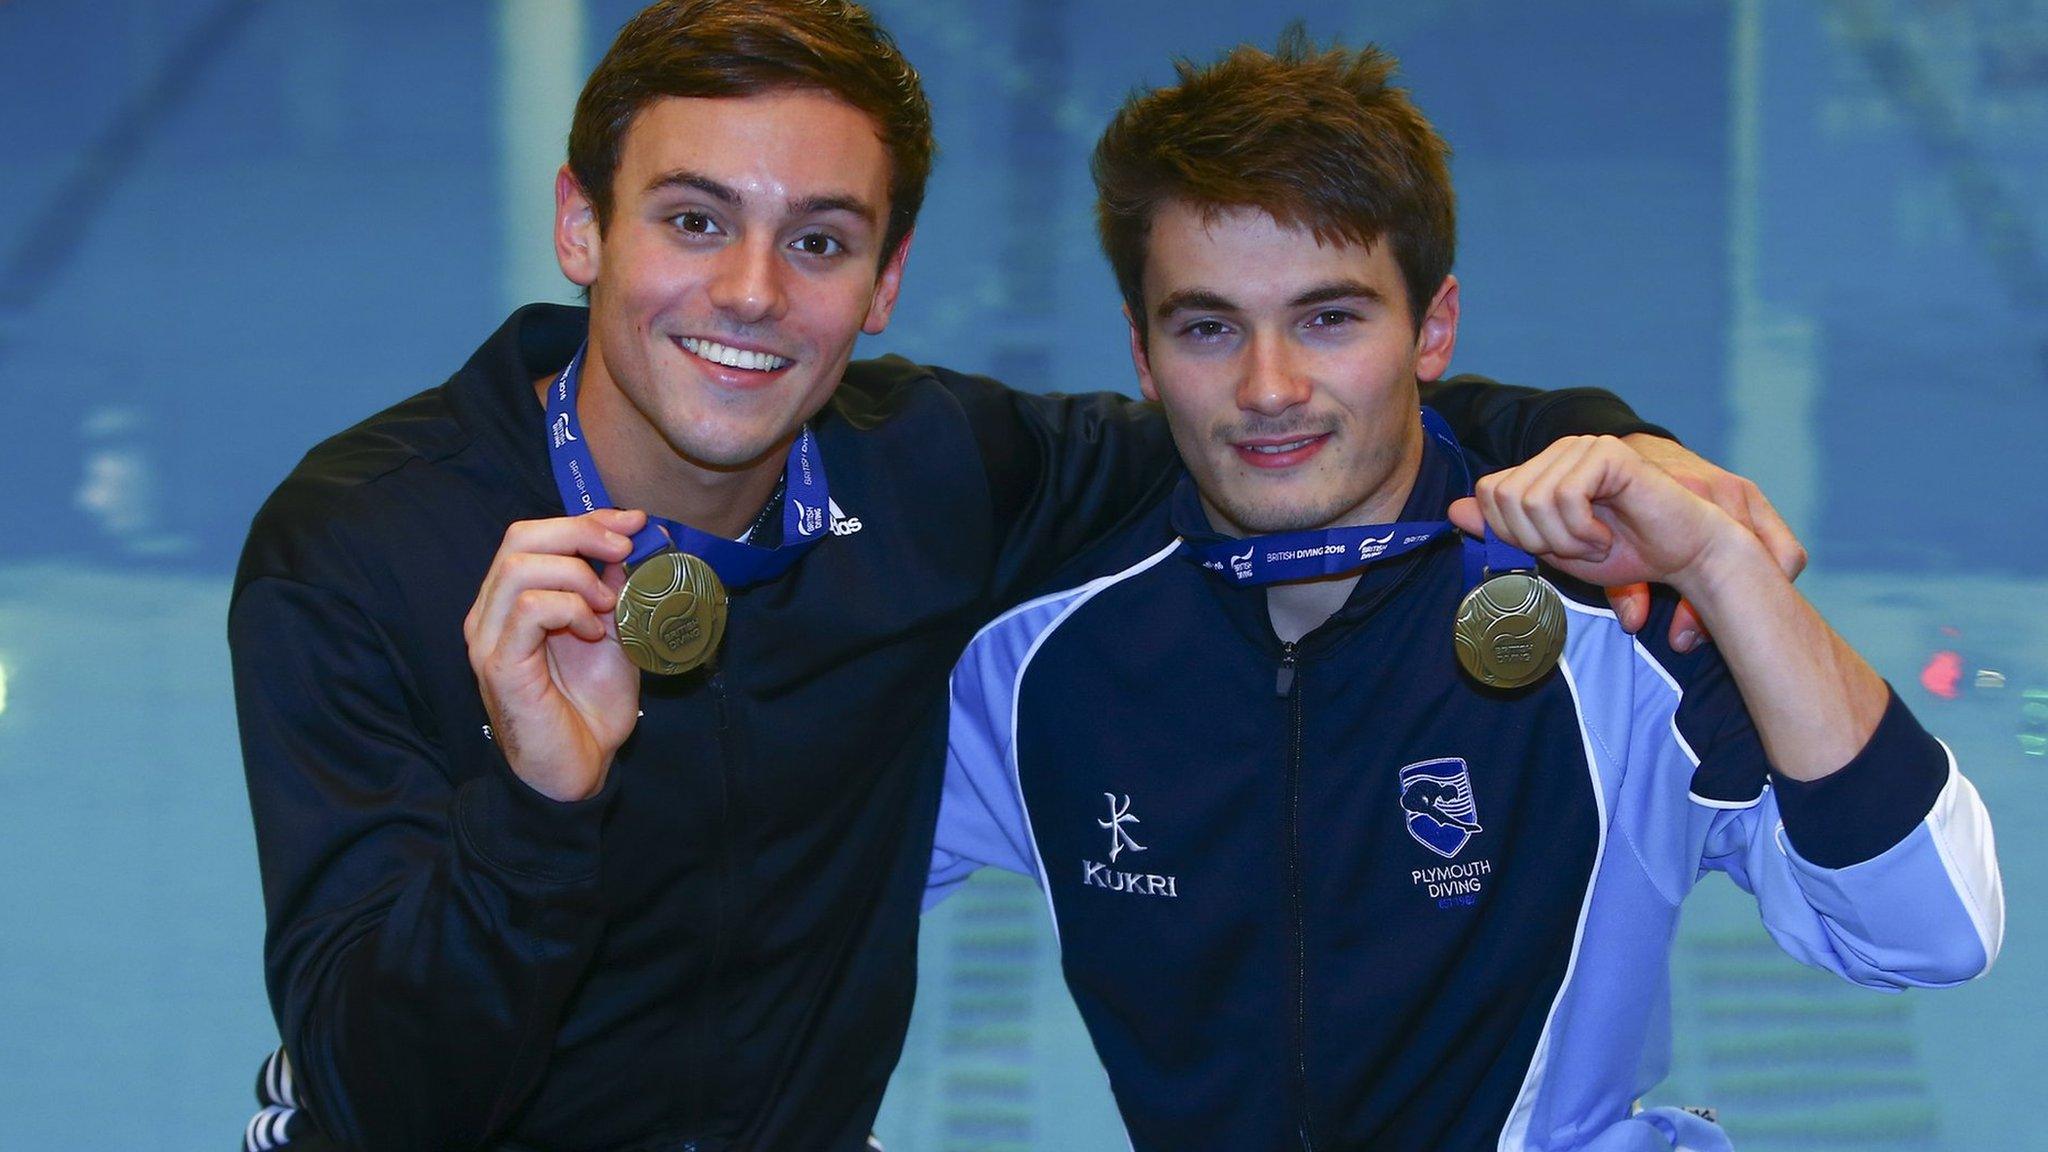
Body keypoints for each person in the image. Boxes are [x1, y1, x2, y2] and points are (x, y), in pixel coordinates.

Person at [230, 4, 1798, 1150]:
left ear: (888, 280)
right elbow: (382, 1097)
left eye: (823, 241)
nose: (754, 295)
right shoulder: (364, 552)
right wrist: (537, 806)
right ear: (583, 225)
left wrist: (1623, 458)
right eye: (694, 221)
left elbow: (1288, 422)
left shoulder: (933, 479)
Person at [929, 31, 2004, 1152]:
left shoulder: (1616, 618)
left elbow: (1931, 932)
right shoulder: (1037, 655)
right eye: (1207, 327)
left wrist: (1724, 571)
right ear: (1143, 359)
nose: (1267, 388)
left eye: (1327, 318)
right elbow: (781, 912)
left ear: (1430, 329)